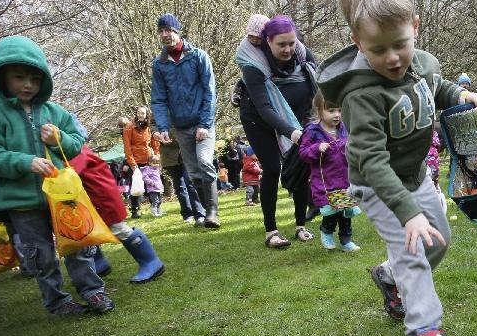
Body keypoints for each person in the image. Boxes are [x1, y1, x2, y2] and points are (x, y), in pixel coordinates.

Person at [318, 0, 477, 336]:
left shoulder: (421, 62)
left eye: (400, 43)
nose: (393, 58)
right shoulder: (362, 95)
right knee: (412, 250)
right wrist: (408, 214)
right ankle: (426, 330)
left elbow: (433, 85)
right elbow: (372, 161)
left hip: (415, 176)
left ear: (415, 25)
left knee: (439, 240)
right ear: (357, 40)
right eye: (378, 50)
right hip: (377, 185)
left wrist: (457, 96)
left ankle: (390, 278)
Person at [0, 35, 112, 315]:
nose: (28, 85)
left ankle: (93, 292)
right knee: (41, 254)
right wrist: (24, 162)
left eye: (34, 78)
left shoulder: (53, 112)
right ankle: (58, 302)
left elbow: (75, 144)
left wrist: (59, 137)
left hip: (60, 196)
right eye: (19, 77)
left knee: (78, 244)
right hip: (20, 201)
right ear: (2, 77)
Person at [236, 15, 318, 248]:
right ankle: (271, 231)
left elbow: (321, 78)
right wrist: (292, 132)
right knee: (272, 167)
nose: (288, 49)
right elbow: (265, 108)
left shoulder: (302, 54)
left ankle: (301, 226)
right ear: (267, 42)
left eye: (291, 43)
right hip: (258, 118)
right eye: (281, 44)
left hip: (296, 115)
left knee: (301, 162)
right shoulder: (254, 66)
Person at [68, 114, 165, 284]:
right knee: (86, 230)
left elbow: (72, 171)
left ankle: (151, 262)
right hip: (87, 197)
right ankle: (99, 263)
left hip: (100, 196)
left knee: (118, 228)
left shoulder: (76, 151)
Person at [150, 13, 220, 228]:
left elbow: (210, 91)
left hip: (202, 123)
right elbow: (159, 99)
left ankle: (213, 212)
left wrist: (205, 124)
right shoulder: (160, 64)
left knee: (205, 161)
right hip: (180, 126)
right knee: (193, 172)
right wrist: (162, 127)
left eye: (168, 30)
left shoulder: (198, 56)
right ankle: (207, 213)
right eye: (161, 31)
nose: (165, 35)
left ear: (177, 31)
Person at [298, 91, 361, 252]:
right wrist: (316, 147)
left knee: (346, 212)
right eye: (331, 111)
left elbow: (353, 146)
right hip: (325, 182)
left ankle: (346, 240)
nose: (337, 115)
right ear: (319, 110)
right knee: (332, 211)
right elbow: (303, 153)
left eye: (339, 110)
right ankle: (326, 231)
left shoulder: (343, 128)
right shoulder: (312, 131)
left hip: (345, 180)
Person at [122, 105, 164, 218]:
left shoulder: (149, 127)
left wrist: (157, 155)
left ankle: (155, 206)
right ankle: (135, 210)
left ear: (146, 115)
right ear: (136, 113)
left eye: (143, 113)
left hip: (148, 160)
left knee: (153, 185)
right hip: (135, 161)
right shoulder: (129, 127)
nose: (140, 115)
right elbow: (127, 148)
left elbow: (154, 143)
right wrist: (132, 164)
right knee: (136, 185)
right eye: (138, 113)